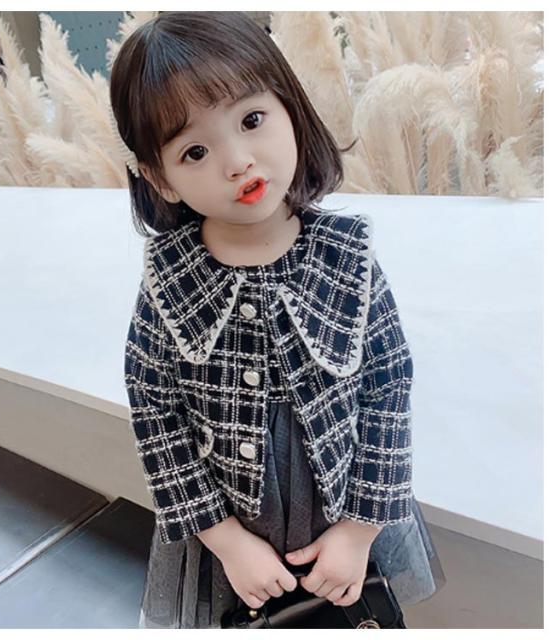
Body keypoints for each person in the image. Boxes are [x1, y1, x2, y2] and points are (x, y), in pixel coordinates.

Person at [112, 12, 446, 629]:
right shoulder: (169, 277)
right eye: (195, 151)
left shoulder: (346, 254)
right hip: (228, 538)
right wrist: (225, 540)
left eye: (251, 120)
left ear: (290, 107)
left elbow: (389, 385)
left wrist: (359, 529)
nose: (238, 162)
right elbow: (153, 408)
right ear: (161, 178)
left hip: (347, 512)